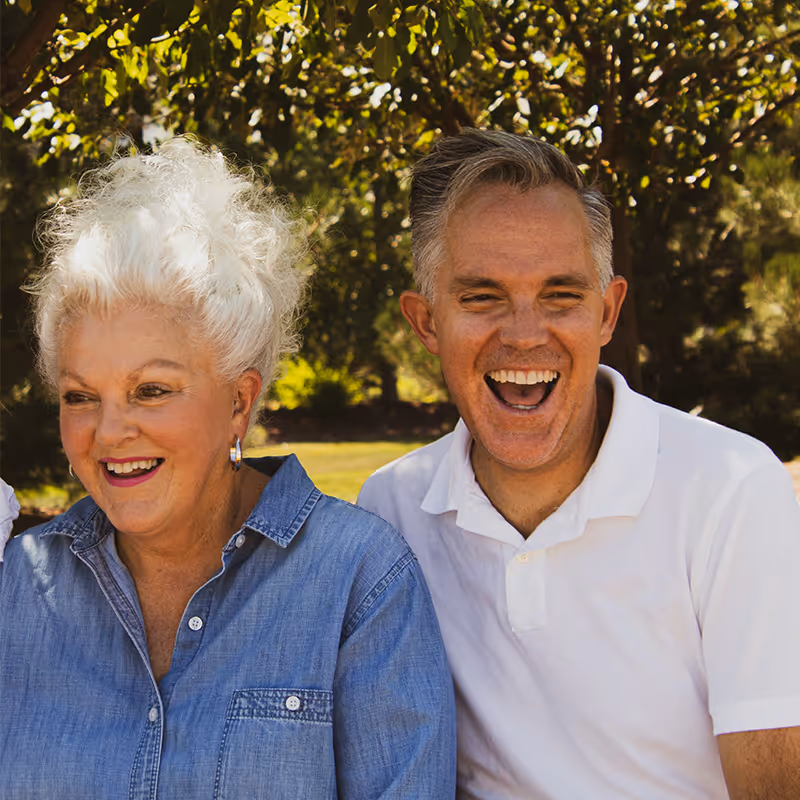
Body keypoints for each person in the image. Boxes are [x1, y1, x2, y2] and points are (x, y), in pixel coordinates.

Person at [0, 137, 456, 798]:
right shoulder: (17, 590)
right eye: (80, 397)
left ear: (238, 402)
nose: (109, 432)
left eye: (151, 390)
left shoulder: (360, 584)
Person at [358, 128, 800, 799]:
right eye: (481, 296)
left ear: (607, 310)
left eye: (561, 294)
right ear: (425, 322)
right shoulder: (391, 512)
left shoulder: (731, 492)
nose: (525, 332)